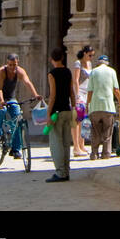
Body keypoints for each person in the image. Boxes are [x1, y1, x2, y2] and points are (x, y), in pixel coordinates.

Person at [0, 53, 40, 158]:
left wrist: (35, 95)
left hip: (11, 99)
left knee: (18, 119)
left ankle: (15, 149)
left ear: (17, 63)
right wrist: (1, 101)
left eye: (14, 65)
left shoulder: (20, 71)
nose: (12, 67)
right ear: (7, 63)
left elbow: (27, 82)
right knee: (2, 110)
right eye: (10, 65)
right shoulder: (2, 71)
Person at [86, 53, 120, 160]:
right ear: (107, 63)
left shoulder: (93, 72)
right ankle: (106, 153)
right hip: (108, 106)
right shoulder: (112, 71)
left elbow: (90, 91)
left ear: (98, 62)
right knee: (107, 132)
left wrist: (87, 104)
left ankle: (94, 154)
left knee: (95, 131)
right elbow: (116, 90)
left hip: (95, 106)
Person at [45, 48, 74, 183]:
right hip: (67, 110)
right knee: (66, 143)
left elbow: (53, 96)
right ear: (62, 58)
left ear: (52, 59)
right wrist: (74, 108)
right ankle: (66, 171)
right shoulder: (68, 72)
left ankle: (60, 172)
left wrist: (48, 113)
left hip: (56, 112)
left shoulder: (52, 74)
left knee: (56, 143)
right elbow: (71, 92)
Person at [71, 46, 93, 158]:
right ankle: (76, 147)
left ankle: (82, 144)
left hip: (87, 93)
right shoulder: (78, 63)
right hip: (80, 93)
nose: (91, 57)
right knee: (77, 120)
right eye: (89, 55)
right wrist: (77, 95)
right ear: (84, 54)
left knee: (85, 120)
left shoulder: (89, 64)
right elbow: (75, 80)